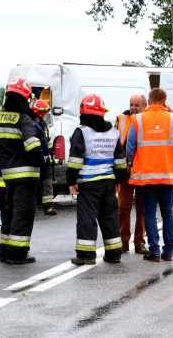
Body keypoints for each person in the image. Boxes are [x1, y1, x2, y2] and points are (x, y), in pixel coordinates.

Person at [0, 78, 44, 264]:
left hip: (8, 176)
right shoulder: (24, 119)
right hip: (26, 177)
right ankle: (17, 255)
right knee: (23, 215)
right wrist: (41, 161)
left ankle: (4, 252)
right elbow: (32, 146)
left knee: (9, 214)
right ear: (25, 98)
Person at [126, 87, 173, 262]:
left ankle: (154, 251)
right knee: (168, 213)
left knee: (150, 213)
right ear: (164, 101)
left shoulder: (137, 119)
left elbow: (130, 147)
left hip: (146, 175)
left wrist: (133, 162)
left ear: (149, 102)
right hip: (167, 175)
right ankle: (168, 252)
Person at [66, 94, 127, 265]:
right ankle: (114, 254)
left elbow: (75, 161)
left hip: (88, 183)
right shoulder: (114, 133)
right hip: (108, 183)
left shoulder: (82, 132)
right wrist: (118, 181)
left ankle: (86, 255)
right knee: (110, 217)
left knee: (87, 218)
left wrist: (71, 181)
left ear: (83, 112)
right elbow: (121, 162)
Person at [114, 94, 147, 253]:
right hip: (125, 171)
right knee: (123, 208)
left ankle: (140, 242)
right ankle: (123, 242)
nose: (133, 107)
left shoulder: (148, 120)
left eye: (137, 105)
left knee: (142, 209)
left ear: (144, 106)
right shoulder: (121, 119)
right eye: (131, 104)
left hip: (142, 171)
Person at [30, 99, 57, 215]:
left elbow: (46, 142)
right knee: (33, 183)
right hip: (34, 159)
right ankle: (31, 205)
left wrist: (51, 156)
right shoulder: (29, 124)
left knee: (47, 183)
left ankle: (48, 206)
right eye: (44, 112)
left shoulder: (43, 124)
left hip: (46, 160)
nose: (45, 114)